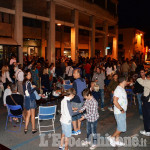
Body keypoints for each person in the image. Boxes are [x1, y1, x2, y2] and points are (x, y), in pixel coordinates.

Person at [107, 76, 128, 147]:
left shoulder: (121, 88)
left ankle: (117, 140)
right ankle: (111, 137)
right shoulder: (118, 89)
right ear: (124, 81)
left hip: (121, 111)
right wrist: (121, 109)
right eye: (126, 81)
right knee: (122, 128)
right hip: (119, 112)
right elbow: (114, 101)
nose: (127, 82)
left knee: (119, 126)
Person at [71, 68, 87, 135]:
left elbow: (74, 92)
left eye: (74, 73)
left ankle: (75, 130)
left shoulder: (75, 82)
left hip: (76, 100)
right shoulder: (83, 80)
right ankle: (79, 129)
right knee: (79, 115)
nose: (73, 74)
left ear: (78, 74)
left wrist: (70, 99)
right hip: (82, 100)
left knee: (74, 116)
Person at [23, 69, 39, 134]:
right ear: (26, 75)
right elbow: (29, 92)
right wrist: (34, 88)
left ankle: (25, 128)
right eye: (28, 74)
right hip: (31, 100)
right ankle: (33, 129)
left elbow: (26, 90)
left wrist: (31, 87)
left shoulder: (24, 82)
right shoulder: (28, 82)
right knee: (32, 115)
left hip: (26, 99)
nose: (30, 75)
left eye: (30, 74)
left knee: (28, 114)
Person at [137, 71, 150, 136]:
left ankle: (147, 131)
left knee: (146, 116)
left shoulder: (148, 82)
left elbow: (139, 80)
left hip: (147, 102)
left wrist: (140, 77)